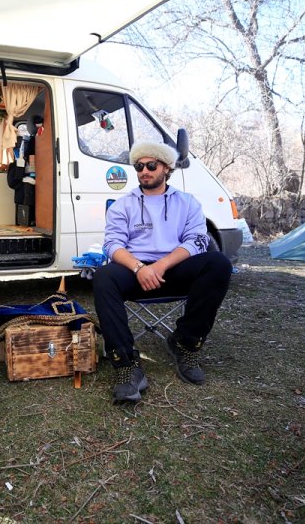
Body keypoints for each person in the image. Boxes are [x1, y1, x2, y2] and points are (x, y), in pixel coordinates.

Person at [93, 141, 232, 401]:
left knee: (218, 263)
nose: (144, 171)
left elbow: (197, 240)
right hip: (135, 272)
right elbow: (112, 245)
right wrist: (138, 267)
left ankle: (185, 343)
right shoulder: (123, 205)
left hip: (174, 269)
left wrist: (160, 266)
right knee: (104, 277)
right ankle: (126, 365)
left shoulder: (187, 203)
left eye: (151, 165)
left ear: (166, 168)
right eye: (139, 166)